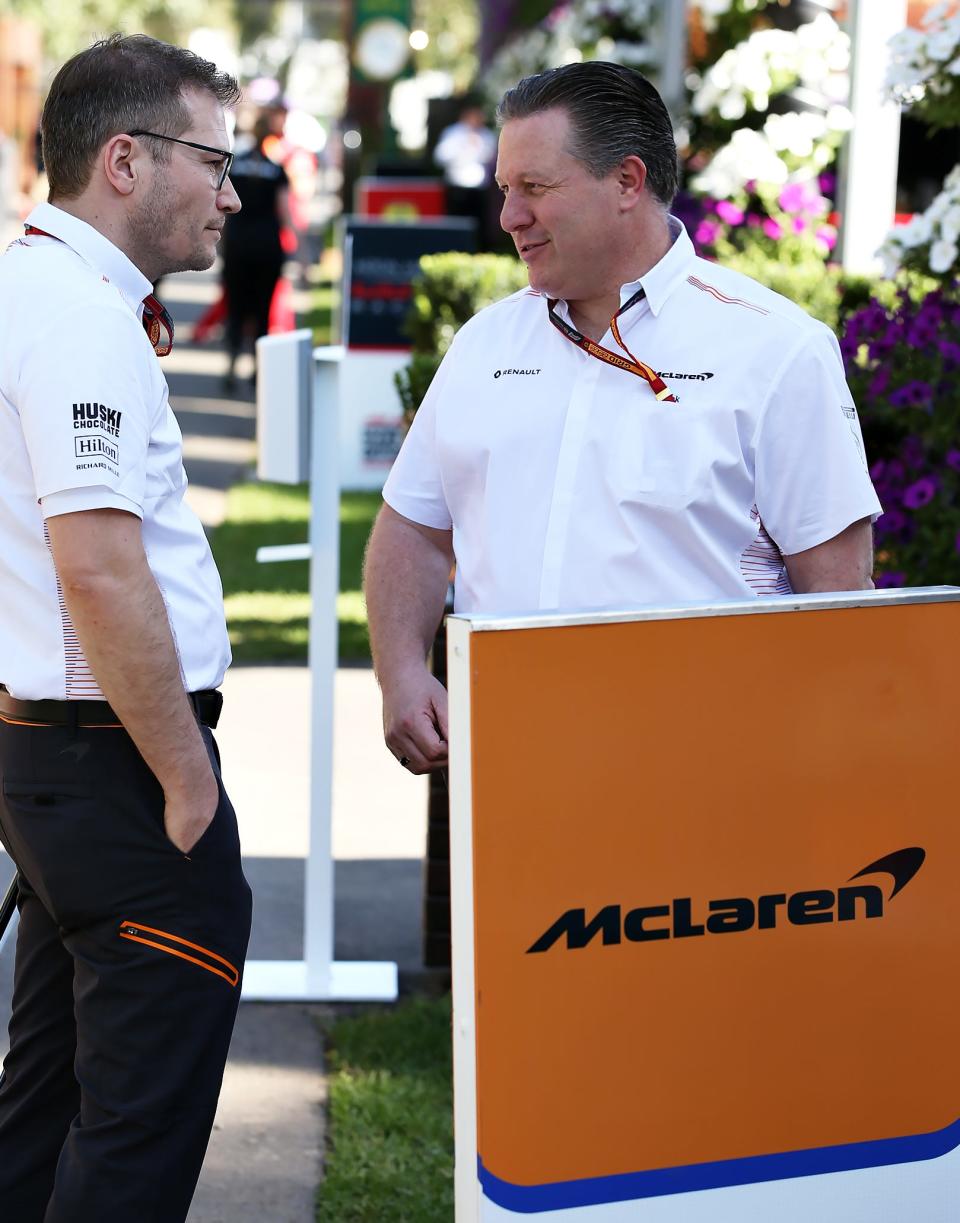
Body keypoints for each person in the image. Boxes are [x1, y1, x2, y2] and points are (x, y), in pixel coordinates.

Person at [364, 61, 882, 775]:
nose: (511, 215)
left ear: (628, 183)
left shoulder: (778, 349)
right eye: (506, 190)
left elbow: (838, 599)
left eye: (536, 188)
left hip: (713, 778)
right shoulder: (484, 343)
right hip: (509, 765)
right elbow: (413, 526)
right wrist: (401, 674)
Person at [0, 34, 252, 1223]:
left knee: (47, 1104)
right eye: (215, 160)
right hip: (115, 764)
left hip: (61, 756)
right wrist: (186, 779)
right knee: (135, 1130)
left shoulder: (31, 290)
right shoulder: (76, 314)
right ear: (123, 160)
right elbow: (98, 567)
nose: (232, 192)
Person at [221, 111, 297, 389]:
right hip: (268, 248)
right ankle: (257, 369)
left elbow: (224, 208)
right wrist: (298, 250)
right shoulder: (276, 170)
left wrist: (221, 245)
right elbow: (285, 211)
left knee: (236, 308)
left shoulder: (235, 166)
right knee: (262, 310)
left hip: (239, 246)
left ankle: (230, 365)